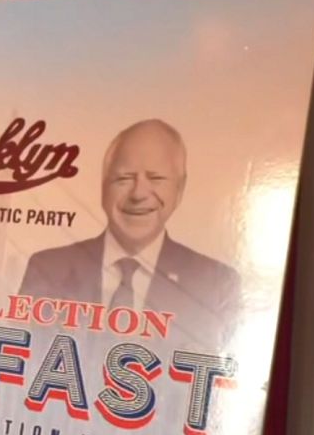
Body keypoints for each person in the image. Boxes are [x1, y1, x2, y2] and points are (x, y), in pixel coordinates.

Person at [18, 119, 240, 346]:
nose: (138, 194)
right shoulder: (47, 268)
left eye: (156, 178)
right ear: (103, 186)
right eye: (124, 178)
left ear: (179, 189)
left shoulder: (216, 284)